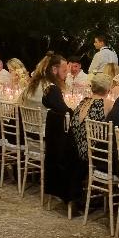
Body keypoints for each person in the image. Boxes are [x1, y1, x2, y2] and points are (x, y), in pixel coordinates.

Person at [38, 53, 85, 209]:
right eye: (65, 70)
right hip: (47, 138)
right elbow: (66, 112)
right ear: (54, 69)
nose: (68, 74)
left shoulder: (38, 83)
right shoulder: (51, 89)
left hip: (36, 134)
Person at [70, 73, 113, 162]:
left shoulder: (83, 102)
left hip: (74, 150)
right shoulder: (108, 104)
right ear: (108, 89)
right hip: (93, 154)